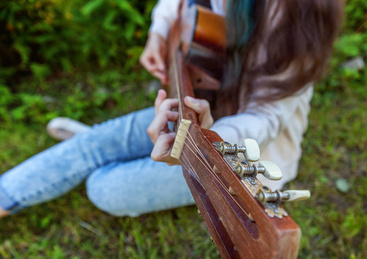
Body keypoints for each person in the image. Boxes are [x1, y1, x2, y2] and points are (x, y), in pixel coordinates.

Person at [0, 0, 343, 219]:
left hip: (242, 152)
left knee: (103, 187)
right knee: (95, 145)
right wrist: (159, 32)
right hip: (198, 105)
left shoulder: (299, 12)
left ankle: (106, 155)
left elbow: (267, 117)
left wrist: (212, 137)